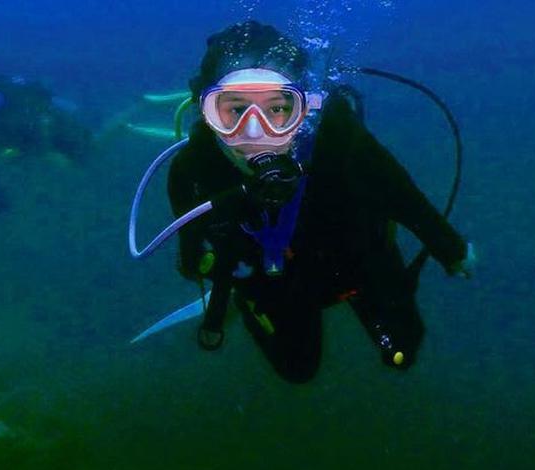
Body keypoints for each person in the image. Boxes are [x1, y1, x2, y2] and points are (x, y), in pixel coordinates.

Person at [165, 21, 474, 383]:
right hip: (275, 283)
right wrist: (221, 266)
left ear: (304, 108)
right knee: (296, 369)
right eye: (234, 111)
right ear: (206, 112)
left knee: (403, 351)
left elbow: (402, 196)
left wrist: (450, 249)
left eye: (277, 109)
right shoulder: (193, 168)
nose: (255, 133)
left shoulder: (339, 137)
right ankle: (247, 309)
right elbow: (190, 258)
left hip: (356, 259)